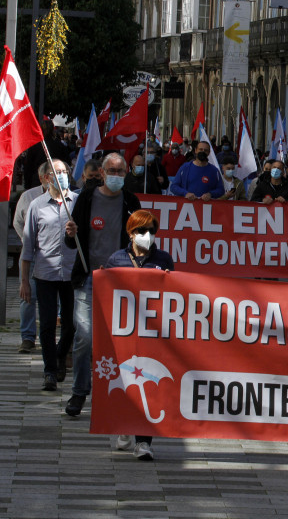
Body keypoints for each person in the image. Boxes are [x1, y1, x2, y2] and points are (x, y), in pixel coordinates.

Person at [63, 153, 142, 417]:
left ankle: (117, 393)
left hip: (120, 281)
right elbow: (71, 242)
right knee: (84, 336)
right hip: (87, 277)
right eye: (112, 171)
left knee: (119, 340)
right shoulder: (86, 199)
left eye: (121, 172)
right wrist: (70, 234)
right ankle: (79, 391)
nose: (117, 176)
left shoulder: (132, 202)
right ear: (102, 172)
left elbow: (142, 243)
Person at [106, 210, 174, 461]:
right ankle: (125, 427)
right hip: (122, 333)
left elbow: (175, 295)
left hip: (152, 334)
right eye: (142, 231)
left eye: (151, 231)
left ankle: (144, 442)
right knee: (126, 379)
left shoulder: (164, 259)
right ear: (130, 233)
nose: (147, 236)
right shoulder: (117, 259)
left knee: (149, 381)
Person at [20, 160, 78, 391]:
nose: (62, 175)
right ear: (46, 178)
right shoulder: (36, 205)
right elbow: (28, 246)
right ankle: (50, 372)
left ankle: (60, 355)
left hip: (73, 273)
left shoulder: (77, 202)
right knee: (46, 324)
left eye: (64, 171)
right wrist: (24, 280)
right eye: (57, 172)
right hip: (45, 273)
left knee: (72, 323)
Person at [13, 181, 45, 353]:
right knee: (27, 295)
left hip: (54, 256)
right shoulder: (28, 196)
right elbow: (18, 222)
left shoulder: (70, 197)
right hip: (31, 253)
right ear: (43, 177)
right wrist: (27, 242)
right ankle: (27, 337)